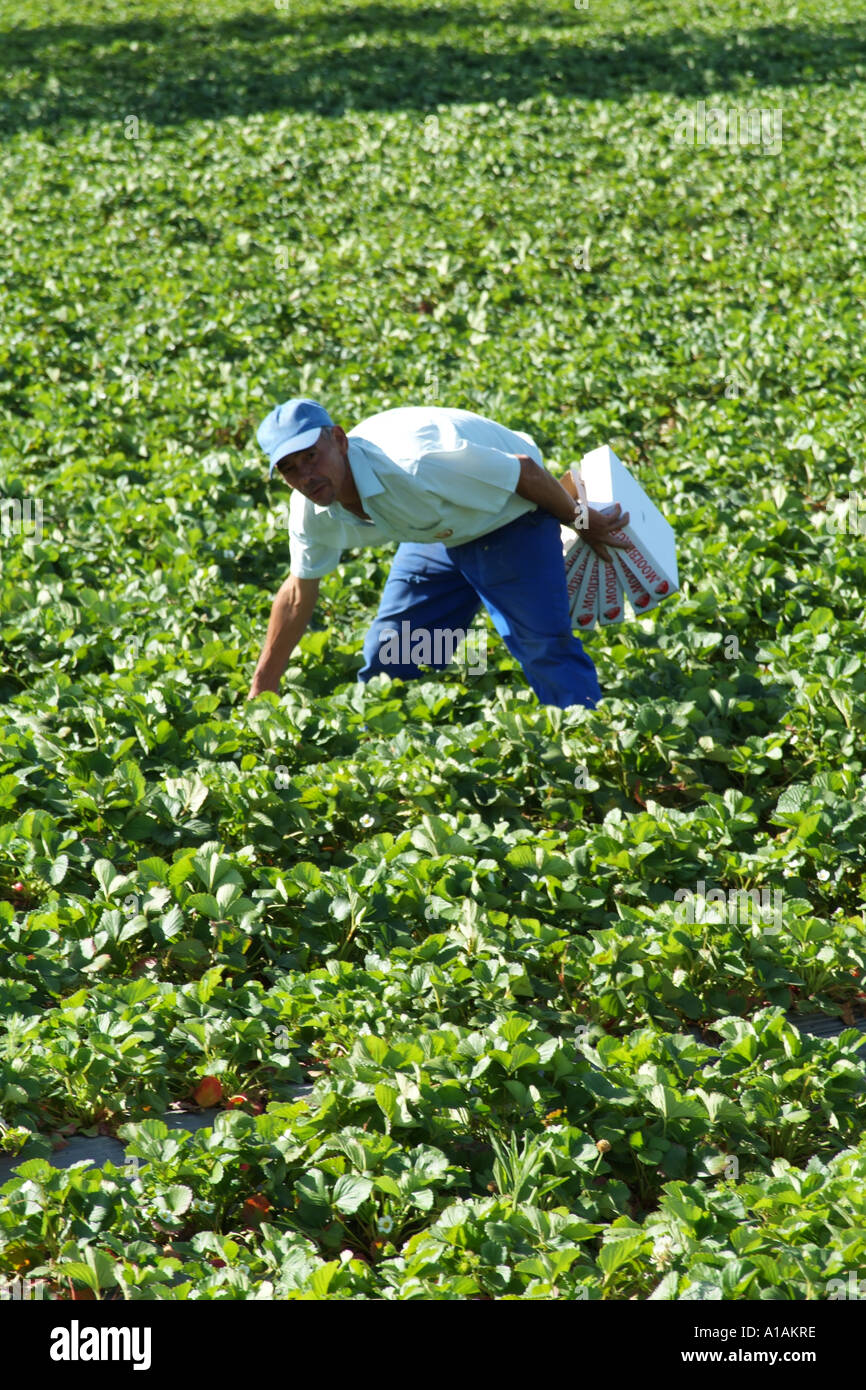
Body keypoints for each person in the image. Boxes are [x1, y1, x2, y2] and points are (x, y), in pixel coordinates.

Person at [247, 397, 630, 708]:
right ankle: (394, 738)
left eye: (311, 456)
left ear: (339, 439)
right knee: (390, 655)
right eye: (289, 468)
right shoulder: (309, 510)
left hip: (505, 515)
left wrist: (582, 520)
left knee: (544, 649)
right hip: (431, 528)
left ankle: (587, 744)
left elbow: (525, 473)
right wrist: (265, 681)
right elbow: (298, 594)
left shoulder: (416, 467)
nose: (305, 476)